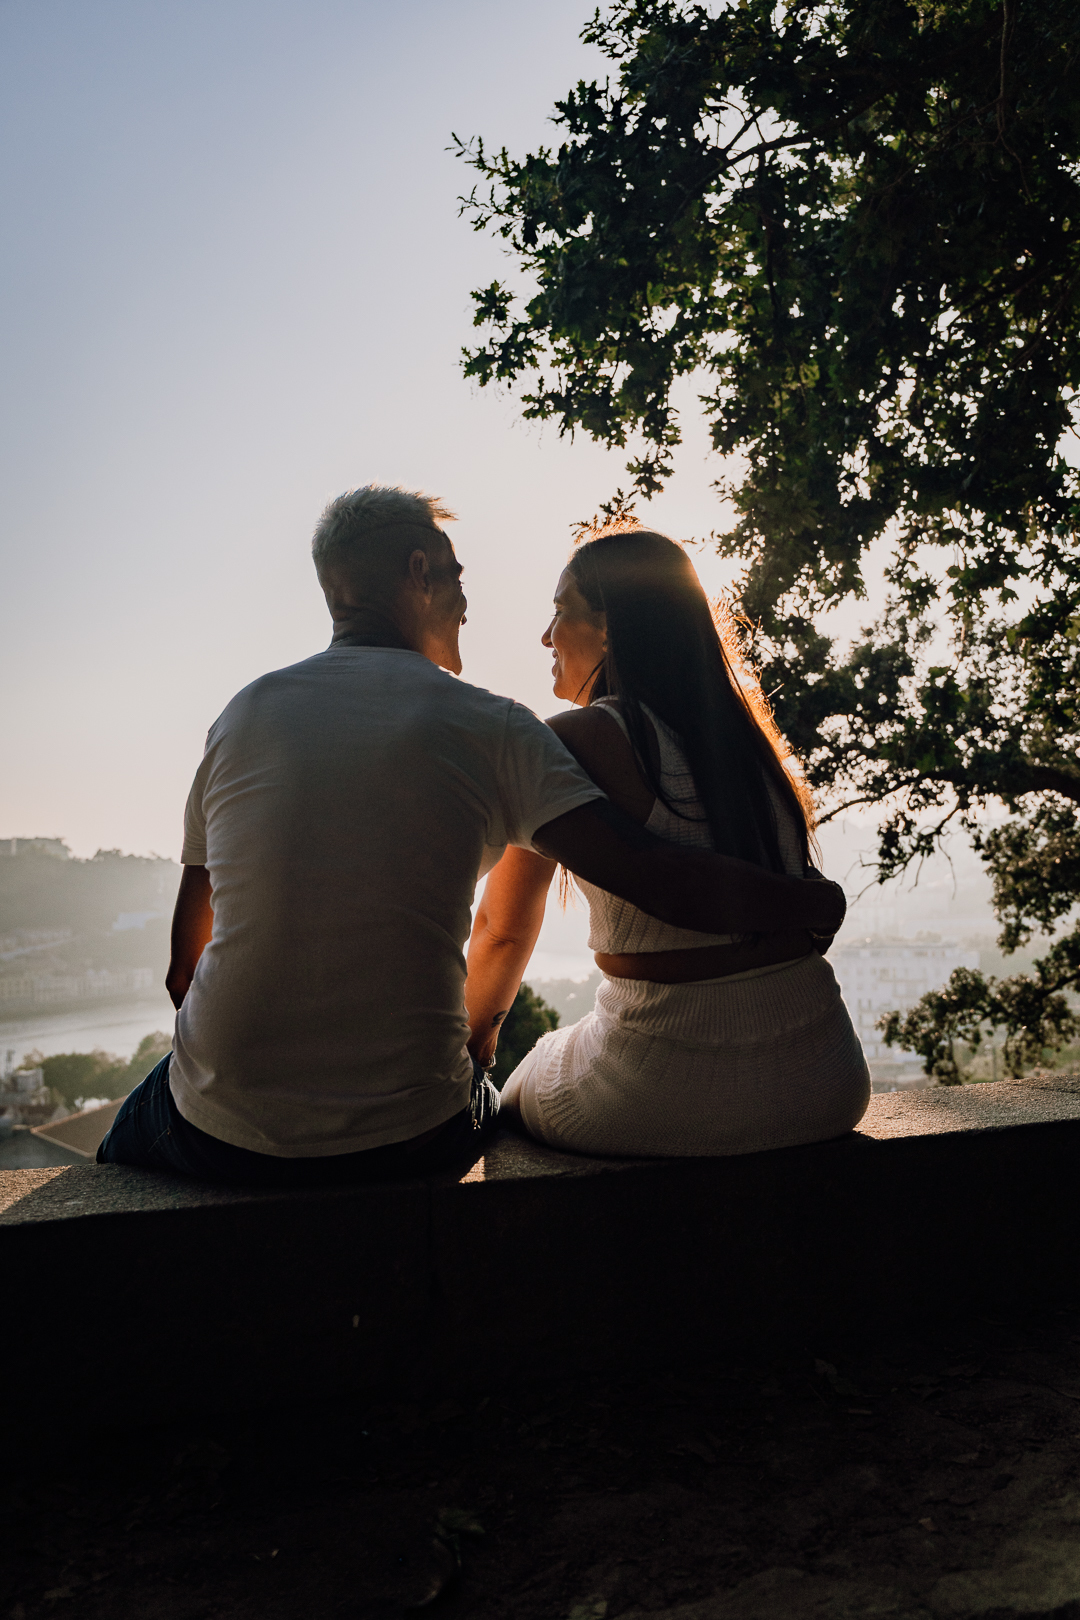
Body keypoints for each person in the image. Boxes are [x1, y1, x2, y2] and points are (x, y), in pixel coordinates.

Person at [98, 488, 847, 1186]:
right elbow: (651, 875)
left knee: (107, 1163)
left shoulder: (241, 714)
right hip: (413, 1137)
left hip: (221, 1127)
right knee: (492, 1090)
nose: (468, 603)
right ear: (419, 572)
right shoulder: (499, 728)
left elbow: (184, 969)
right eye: (457, 577)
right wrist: (814, 902)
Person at [465, 524, 870, 1157]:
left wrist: (475, 1049)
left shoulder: (570, 741)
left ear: (609, 628)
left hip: (666, 1083)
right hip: (828, 1077)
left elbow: (501, 930)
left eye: (560, 611)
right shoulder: (748, 743)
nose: (546, 636)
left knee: (518, 1085)